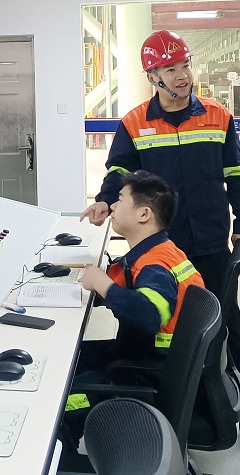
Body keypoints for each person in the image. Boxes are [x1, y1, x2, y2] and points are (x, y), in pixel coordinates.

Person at [81, 29, 240, 455]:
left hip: (208, 244)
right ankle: (139, 410)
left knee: (226, 329)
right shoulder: (135, 122)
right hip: (157, 247)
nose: (182, 75)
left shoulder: (217, 116)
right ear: (152, 76)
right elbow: (119, 172)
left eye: (185, 65)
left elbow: (237, 175)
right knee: (141, 326)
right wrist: (103, 200)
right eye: (170, 68)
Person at [63, 170, 204, 442]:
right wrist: (103, 286)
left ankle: (64, 450)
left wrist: (104, 285)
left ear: (143, 214)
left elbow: (149, 314)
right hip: (143, 355)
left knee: (59, 399)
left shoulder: (155, 264)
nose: (112, 207)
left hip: (147, 371)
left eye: (120, 200)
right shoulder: (160, 250)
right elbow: (130, 286)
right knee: (67, 356)